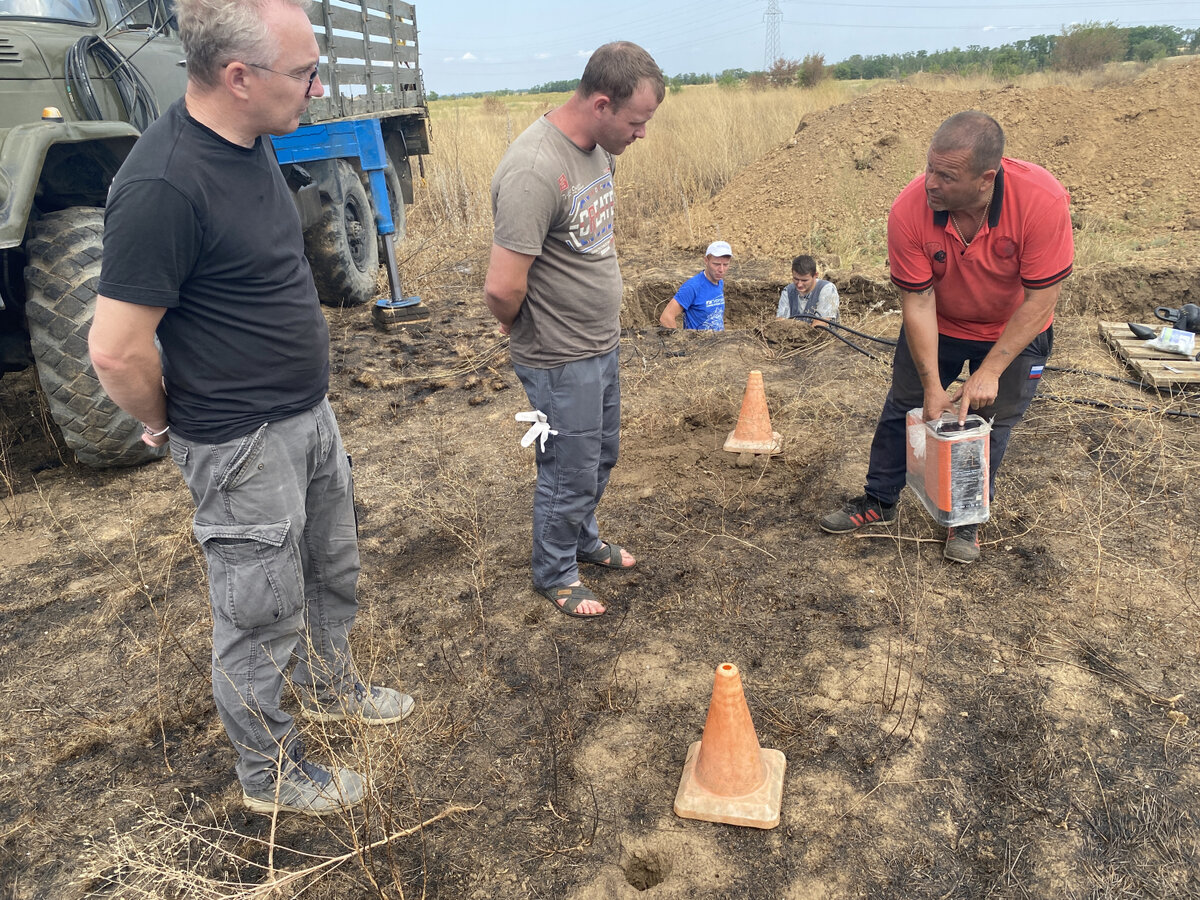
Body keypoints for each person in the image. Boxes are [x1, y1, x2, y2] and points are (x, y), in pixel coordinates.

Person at [89, 0, 413, 817]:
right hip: (240, 443)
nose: (318, 85)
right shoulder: (163, 184)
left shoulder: (251, 143)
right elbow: (115, 350)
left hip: (307, 417)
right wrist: (169, 423)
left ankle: (333, 687)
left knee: (327, 575)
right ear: (239, 78)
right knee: (259, 618)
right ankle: (272, 778)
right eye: (305, 72)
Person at [819, 110, 1073, 564]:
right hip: (943, 323)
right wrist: (934, 386)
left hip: (1015, 328)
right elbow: (917, 302)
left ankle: (965, 520)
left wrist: (990, 371)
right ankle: (879, 501)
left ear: (985, 179)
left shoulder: (1041, 200)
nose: (930, 182)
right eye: (928, 167)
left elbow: (1039, 300)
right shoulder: (909, 209)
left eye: (946, 175)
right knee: (906, 405)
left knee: (988, 424)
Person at [484, 42, 664, 619]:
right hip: (560, 357)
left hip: (599, 345)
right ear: (603, 104)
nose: (642, 135)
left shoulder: (598, 153)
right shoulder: (534, 169)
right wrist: (537, 336)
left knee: (599, 455)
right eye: (637, 122)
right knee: (567, 467)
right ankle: (555, 571)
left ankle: (582, 539)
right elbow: (501, 289)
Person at [659, 241, 731, 330]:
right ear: (706, 261)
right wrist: (680, 341)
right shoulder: (692, 287)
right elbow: (666, 317)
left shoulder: (720, 282)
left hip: (719, 341)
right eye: (716, 264)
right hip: (699, 342)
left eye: (726, 265)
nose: (721, 269)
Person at [776, 254, 839, 328]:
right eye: (796, 279)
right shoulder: (787, 291)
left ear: (815, 275)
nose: (799, 284)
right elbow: (780, 322)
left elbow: (821, 323)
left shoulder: (827, 289)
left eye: (804, 280)